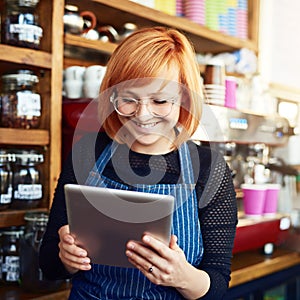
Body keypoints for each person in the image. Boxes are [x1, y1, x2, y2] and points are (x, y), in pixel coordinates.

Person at [39, 26, 237, 299]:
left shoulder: (210, 169)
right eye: (129, 100)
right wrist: (65, 257)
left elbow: (216, 285)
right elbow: (48, 264)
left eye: (159, 100)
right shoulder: (86, 154)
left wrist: (182, 276)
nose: (143, 115)